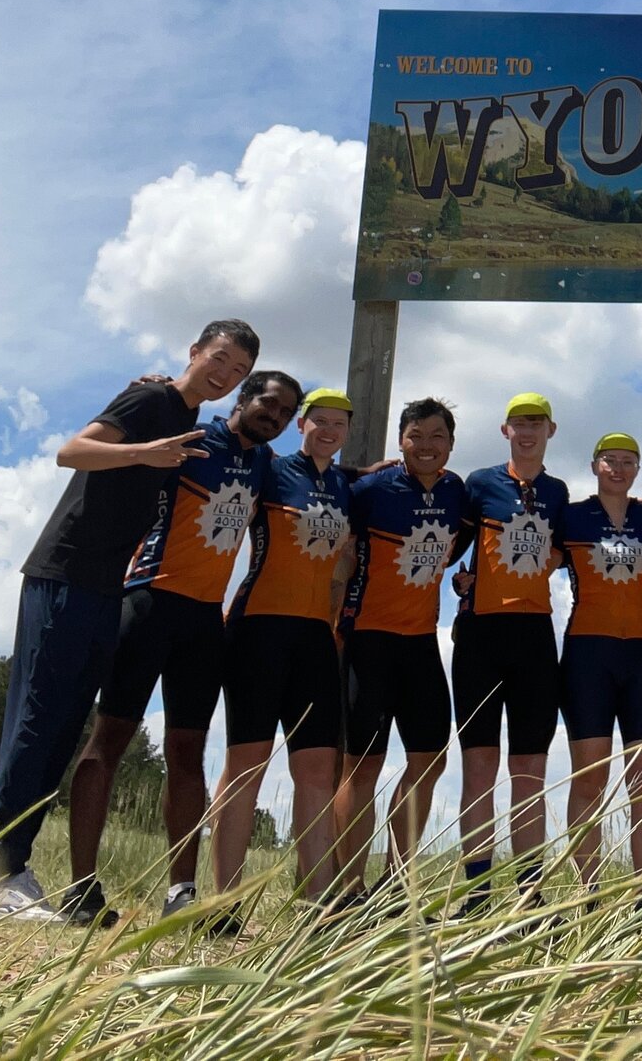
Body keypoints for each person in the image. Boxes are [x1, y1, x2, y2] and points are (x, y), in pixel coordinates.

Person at [0, 319, 259, 921]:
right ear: (195, 351)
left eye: (238, 372)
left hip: (107, 585)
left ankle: (13, 869)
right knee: (38, 719)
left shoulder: (184, 417)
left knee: (63, 724)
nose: (225, 376)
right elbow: (70, 451)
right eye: (220, 360)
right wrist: (143, 453)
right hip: (66, 571)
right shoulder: (153, 399)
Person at [64, 368, 298, 924]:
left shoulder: (265, 464)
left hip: (203, 621)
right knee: (109, 740)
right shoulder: (192, 439)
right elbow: (148, 426)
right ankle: (80, 887)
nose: (276, 416)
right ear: (244, 398)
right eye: (269, 403)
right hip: (147, 601)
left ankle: (183, 891)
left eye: (287, 412)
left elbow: (317, 482)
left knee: (187, 753)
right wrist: (153, 387)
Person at [208, 384, 358, 915]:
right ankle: (224, 903)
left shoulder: (345, 484)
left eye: (339, 424)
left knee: (317, 771)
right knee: (246, 767)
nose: (329, 431)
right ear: (302, 425)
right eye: (319, 421)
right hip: (258, 630)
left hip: (316, 638)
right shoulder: (271, 468)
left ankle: (316, 902)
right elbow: (227, 446)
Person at [333, 397, 471, 898]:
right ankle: (348, 891)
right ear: (401, 441)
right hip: (367, 639)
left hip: (420, 644)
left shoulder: (460, 492)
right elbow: (323, 477)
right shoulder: (370, 489)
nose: (428, 445)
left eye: (438, 436)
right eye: (417, 435)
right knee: (361, 766)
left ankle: (396, 884)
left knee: (430, 760)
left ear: (452, 444)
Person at [449, 391, 570, 904]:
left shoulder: (560, 492)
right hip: (480, 635)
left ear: (550, 431)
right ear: (504, 431)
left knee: (529, 771)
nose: (527, 432)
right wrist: (460, 579)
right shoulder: (479, 483)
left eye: (535, 424)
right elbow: (447, 541)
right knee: (479, 767)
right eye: (518, 424)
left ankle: (529, 895)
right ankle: (477, 892)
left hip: (535, 637)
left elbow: (574, 545)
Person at [557, 432, 642, 885]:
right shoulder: (570, 517)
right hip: (589, 653)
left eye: (628, 461)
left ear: (638, 470)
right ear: (595, 466)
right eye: (610, 460)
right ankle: (587, 895)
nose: (619, 469)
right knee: (590, 778)